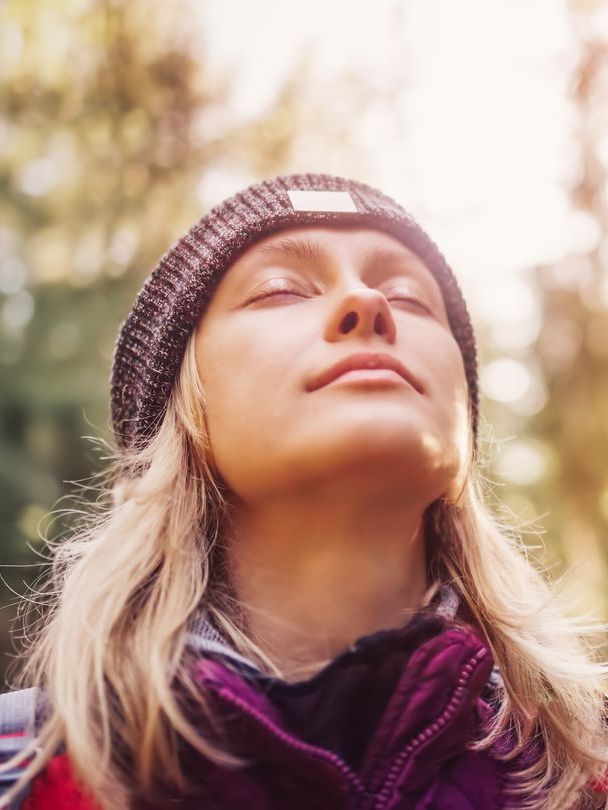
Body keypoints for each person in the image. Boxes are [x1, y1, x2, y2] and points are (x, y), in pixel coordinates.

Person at [0, 173, 607, 810]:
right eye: (279, 289)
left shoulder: (589, 767)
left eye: (409, 297)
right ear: (180, 413)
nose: (367, 301)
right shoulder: (20, 772)